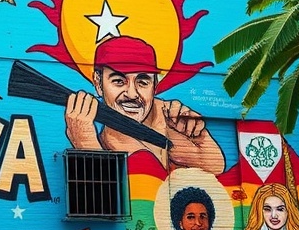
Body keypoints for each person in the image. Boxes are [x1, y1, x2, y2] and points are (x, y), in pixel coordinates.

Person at [64, 36, 225, 175]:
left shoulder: (166, 123)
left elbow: (216, 167)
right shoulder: (104, 142)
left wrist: (200, 138)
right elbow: (108, 195)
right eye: (118, 81)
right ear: (98, 84)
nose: (132, 94)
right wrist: (86, 145)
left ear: (155, 86)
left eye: (142, 82)